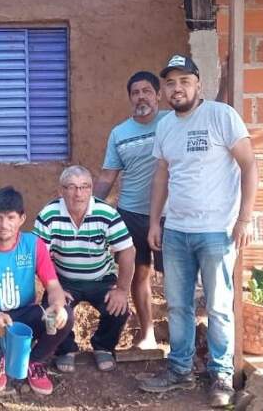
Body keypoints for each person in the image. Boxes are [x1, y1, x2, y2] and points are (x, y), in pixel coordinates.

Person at [138, 55, 257, 408]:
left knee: (219, 306)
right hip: (176, 231)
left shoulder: (221, 116)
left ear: (198, 84)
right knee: (178, 305)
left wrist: (245, 219)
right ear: (164, 89)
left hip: (217, 231)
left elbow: (250, 165)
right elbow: (161, 175)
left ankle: (220, 374)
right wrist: (155, 221)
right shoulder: (165, 126)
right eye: (171, 83)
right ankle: (179, 369)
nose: (177, 88)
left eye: (184, 81)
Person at [0, 186, 74, 396]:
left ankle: (35, 362)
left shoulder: (33, 244)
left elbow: (53, 285)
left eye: (11, 217)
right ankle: (0, 361)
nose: (4, 225)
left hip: (26, 314)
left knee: (66, 314)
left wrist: (58, 306)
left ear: (22, 218)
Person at [33, 165, 135, 373]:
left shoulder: (106, 213)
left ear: (91, 189)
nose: (78, 194)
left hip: (101, 279)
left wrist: (122, 290)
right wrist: (55, 288)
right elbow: (40, 257)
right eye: (71, 187)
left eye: (84, 187)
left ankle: (104, 346)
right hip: (63, 280)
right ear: (61, 191)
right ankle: (65, 349)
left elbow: (127, 251)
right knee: (51, 312)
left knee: (119, 308)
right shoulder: (48, 214)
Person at [94, 70, 169, 350]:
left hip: (168, 216)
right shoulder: (120, 133)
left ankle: (181, 337)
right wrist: (91, 208)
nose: (141, 97)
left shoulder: (171, 122)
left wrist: (223, 82)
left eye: (147, 91)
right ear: (129, 98)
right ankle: (147, 333)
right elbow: (106, 177)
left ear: (158, 95)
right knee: (139, 275)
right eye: (135, 92)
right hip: (131, 215)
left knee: (175, 277)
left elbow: (207, 111)